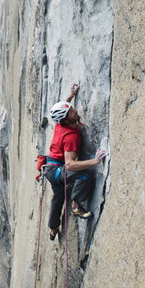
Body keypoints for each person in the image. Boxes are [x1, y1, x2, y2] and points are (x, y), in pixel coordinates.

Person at [44, 84, 108, 240]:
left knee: (58, 197)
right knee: (84, 175)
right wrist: (94, 161)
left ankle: (53, 229)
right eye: (72, 112)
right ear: (67, 119)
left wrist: (71, 95)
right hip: (57, 170)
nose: (75, 111)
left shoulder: (61, 121)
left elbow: (62, 111)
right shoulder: (70, 137)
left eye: (72, 108)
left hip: (51, 167)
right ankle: (76, 205)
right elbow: (70, 164)